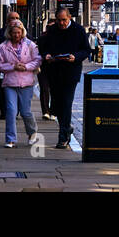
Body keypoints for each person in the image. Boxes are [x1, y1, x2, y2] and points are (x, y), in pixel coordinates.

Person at [39, 8, 90, 150]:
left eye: (64, 20)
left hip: (70, 73)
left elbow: (86, 50)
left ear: (69, 18)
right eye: (59, 20)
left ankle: (62, 138)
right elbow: (43, 48)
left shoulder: (78, 30)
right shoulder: (52, 30)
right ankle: (67, 128)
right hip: (54, 72)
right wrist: (47, 55)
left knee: (66, 104)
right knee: (56, 106)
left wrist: (76, 57)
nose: (61, 23)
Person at [0, 20, 43, 148]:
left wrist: (26, 67)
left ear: (22, 32)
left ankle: (32, 132)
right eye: (14, 33)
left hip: (26, 82)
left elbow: (37, 60)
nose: (16, 35)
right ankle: (10, 139)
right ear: (9, 33)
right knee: (11, 110)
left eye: (18, 32)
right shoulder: (3, 46)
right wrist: (12, 66)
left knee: (26, 112)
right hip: (10, 82)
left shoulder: (30, 45)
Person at [37, 17, 56, 119]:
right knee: (44, 89)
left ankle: (53, 112)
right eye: (50, 27)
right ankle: (45, 111)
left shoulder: (60, 38)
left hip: (56, 67)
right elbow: (38, 52)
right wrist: (45, 56)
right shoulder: (42, 38)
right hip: (43, 66)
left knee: (54, 90)